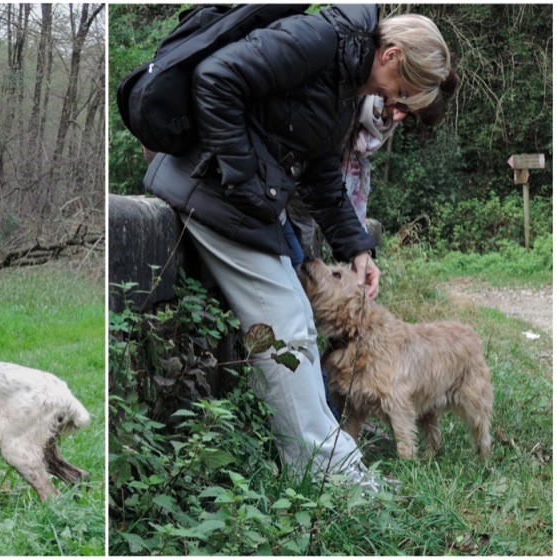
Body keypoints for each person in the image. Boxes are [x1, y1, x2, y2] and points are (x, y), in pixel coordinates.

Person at [145, 6, 452, 491]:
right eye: (403, 97)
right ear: (391, 56)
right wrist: (248, 183)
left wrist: (357, 249)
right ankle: (328, 477)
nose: (395, 111)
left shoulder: (347, 82)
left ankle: (328, 462)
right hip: (207, 186)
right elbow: (215, 79)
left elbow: (323, 176)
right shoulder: (317, 40)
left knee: (300, 325)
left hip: (242, 201)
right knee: (285, 326)